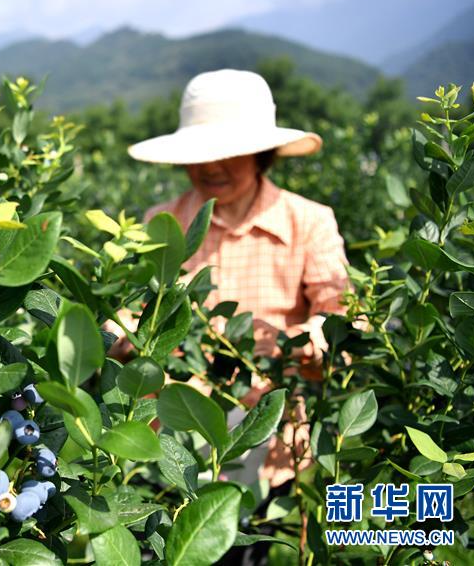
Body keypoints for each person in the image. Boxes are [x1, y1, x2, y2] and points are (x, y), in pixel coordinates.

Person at [106, 69, 351, 490]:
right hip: (169, 438)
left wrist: (299, 344)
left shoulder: (309, 223)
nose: (211, 166)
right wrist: (119, 332)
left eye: (228, 152)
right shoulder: (162, 224)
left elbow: (343, 320)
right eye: (200, 153)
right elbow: (136, 308)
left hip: (266, 432)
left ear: (261, 154)